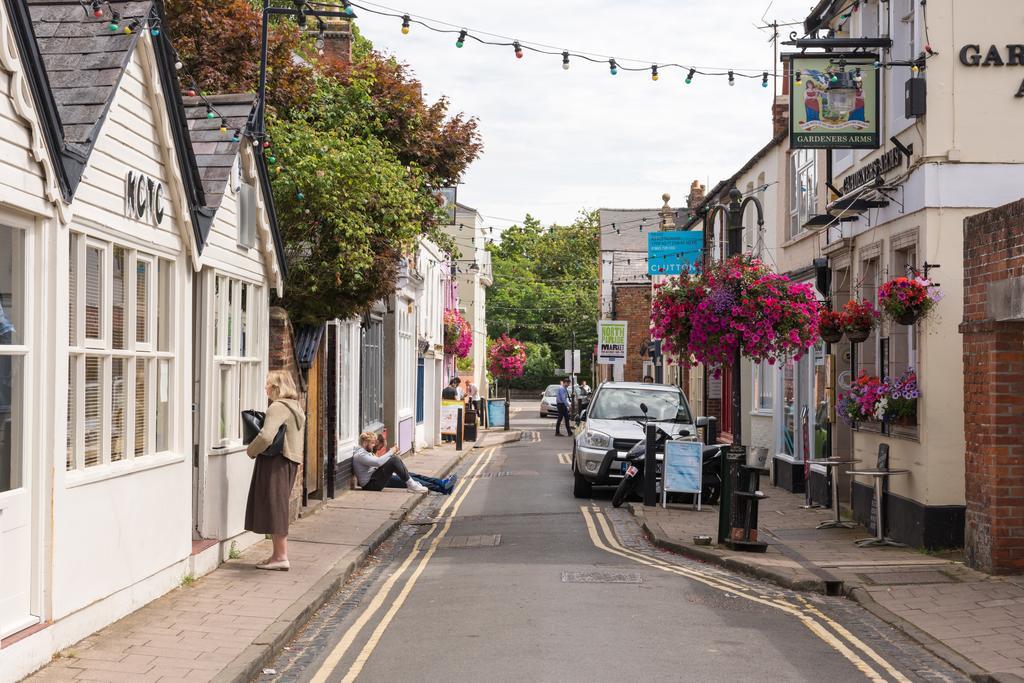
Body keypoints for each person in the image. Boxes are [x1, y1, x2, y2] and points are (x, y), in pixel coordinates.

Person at [245, 370, 306, 571]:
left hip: (276, 462)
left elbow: (266, 436)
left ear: (277, 387)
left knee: (275, 507)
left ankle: (281, 557)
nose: (266, 388)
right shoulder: (295, 406)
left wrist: (251, 451)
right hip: (290, 461)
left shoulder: (278, 407)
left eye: (268, 384)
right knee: (277, 505)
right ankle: (276, 555)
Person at [354, 432, 455, 494]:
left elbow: (378, 464)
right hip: (372, 485)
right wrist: (390, 452)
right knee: (397, 463)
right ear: (365, 443)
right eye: (372, 443)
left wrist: (391, 457)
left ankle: (442, 485)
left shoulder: (366, 452)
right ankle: (436, 488)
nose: (373, 445)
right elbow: (378, 463)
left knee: (414, 476)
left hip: (377, 478)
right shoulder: (360, 455)